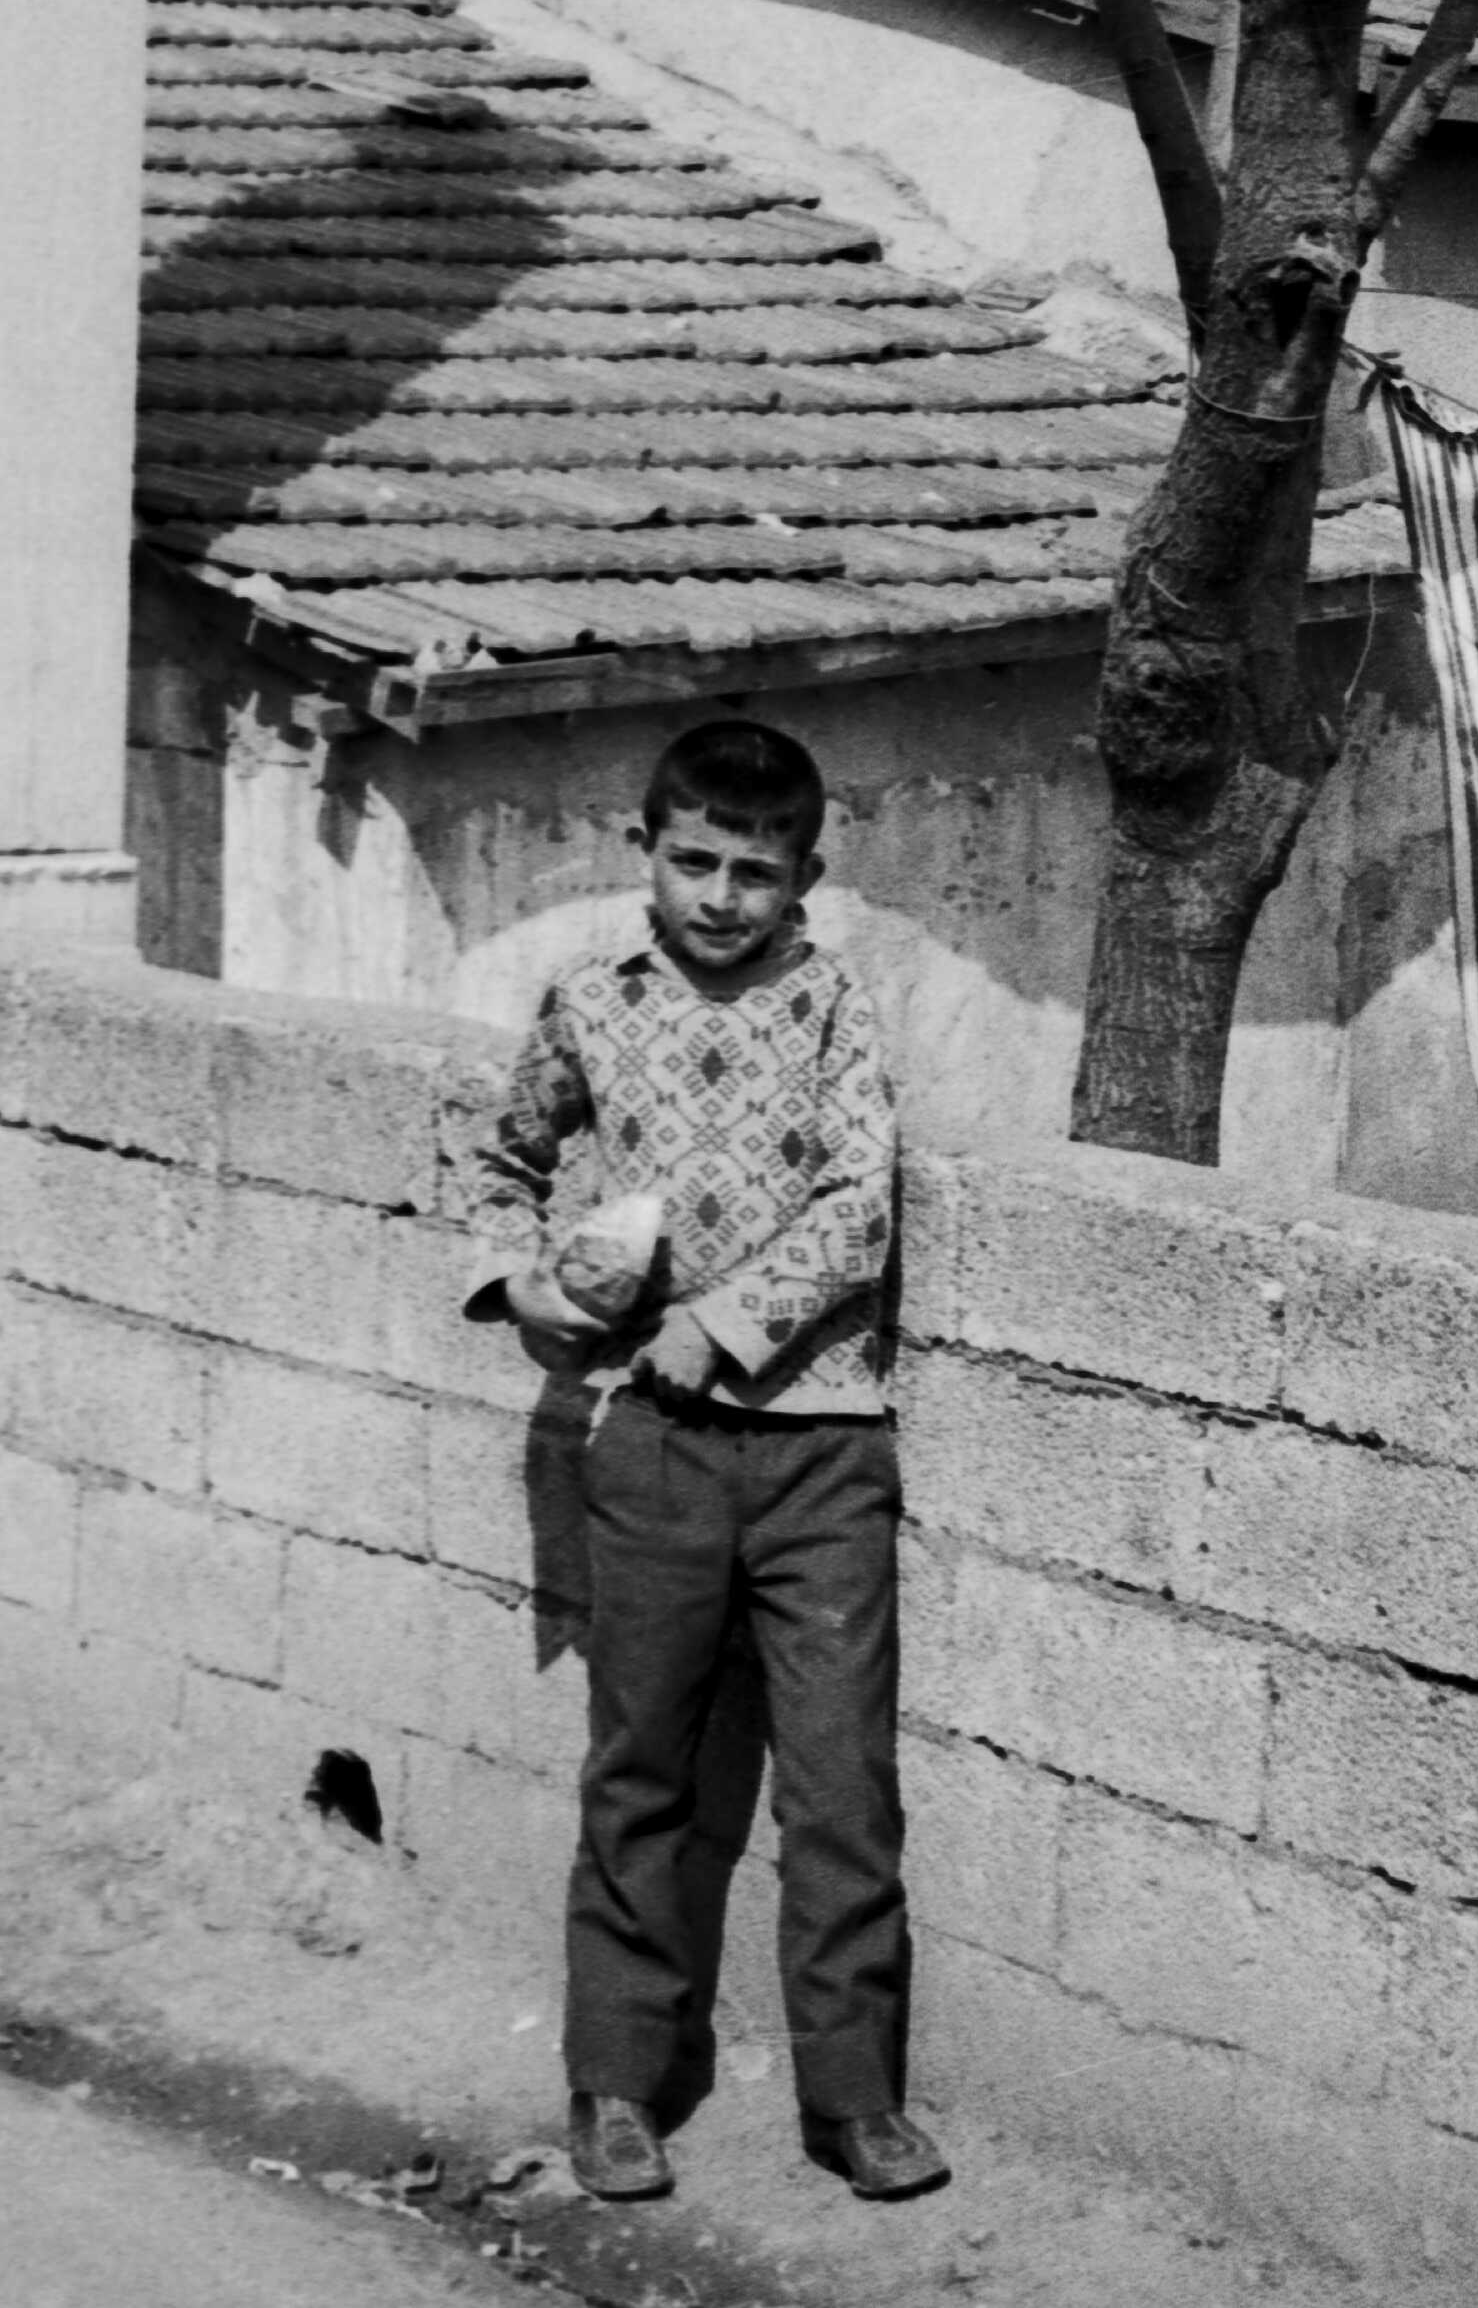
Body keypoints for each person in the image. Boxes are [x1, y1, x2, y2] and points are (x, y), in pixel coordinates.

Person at [463, 709, 946, 2211]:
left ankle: (855, 2099)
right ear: (646, 852)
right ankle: (618, 2082)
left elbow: (859, 1207)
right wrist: (523, 1286)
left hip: (821, 1452)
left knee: (841, 1792)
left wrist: (721, 1327)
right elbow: (497, 1154)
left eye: (755, 870)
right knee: (641, 1772)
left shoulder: (832, 1006)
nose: (721, 897)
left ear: (806, 876)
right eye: (695, 863)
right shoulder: (590, 1001)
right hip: (652, 1451)